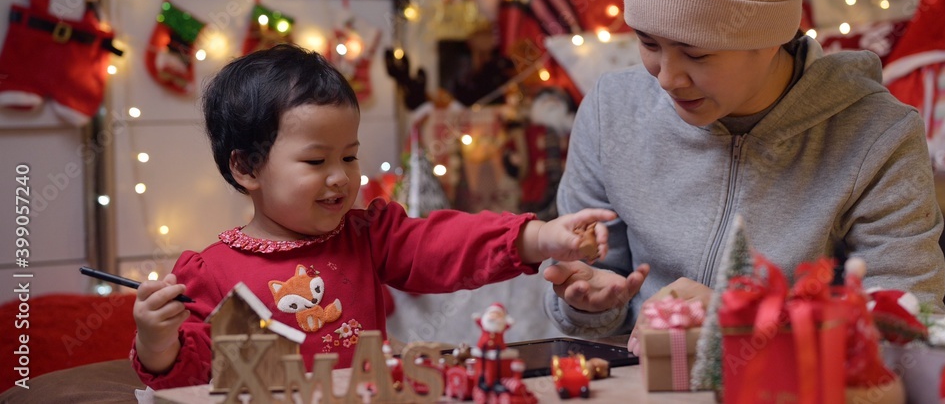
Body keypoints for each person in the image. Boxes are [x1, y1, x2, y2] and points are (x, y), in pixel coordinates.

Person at [542, 0, 945, 353]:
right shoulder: (611, 111)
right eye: (648, 43)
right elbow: (591, 302)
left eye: (696, 54)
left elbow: (912, 328)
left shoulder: (877, 137)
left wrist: (749, 321)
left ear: (773, 34)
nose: (666, 78)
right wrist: (587, 302)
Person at [131, 44, 616, 389]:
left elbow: (444, 244)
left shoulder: (367, 235)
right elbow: (185, 375)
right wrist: (157, 340)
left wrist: (539, 236)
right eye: (317, 162)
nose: (341, 178)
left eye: (350, 157)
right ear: (246, 167)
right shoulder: (208, 273)